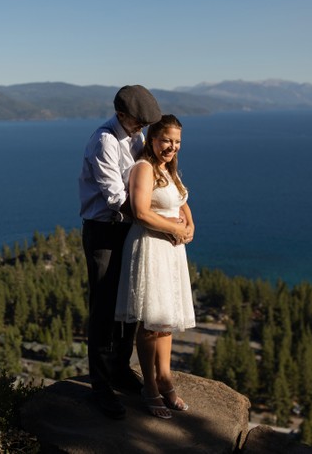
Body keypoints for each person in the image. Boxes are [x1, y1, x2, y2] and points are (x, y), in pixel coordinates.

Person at [78, 84, 162, 419]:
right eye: (138, 121)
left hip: (129, 227)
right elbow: (115, 196)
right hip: (104, 230)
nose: (142, 127)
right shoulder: (104, 141)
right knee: (103, 306)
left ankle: (120, 368)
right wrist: (151, 215)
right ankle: (100, 385)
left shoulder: (135, 137)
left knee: (130, 301)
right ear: (121, 114)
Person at [114, 114, 196, 419]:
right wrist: (175, 229)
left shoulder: (168, 170)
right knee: (150, 323)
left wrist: (189, 223)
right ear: (152, 139)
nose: (172, 147)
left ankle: (165, 379)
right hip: (150, 247)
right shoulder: (144, 168)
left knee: (166, 319)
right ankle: (149, 386)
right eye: (166, 140)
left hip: (170, 252)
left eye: (177, 142)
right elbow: (140, 212)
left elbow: (181, 201)